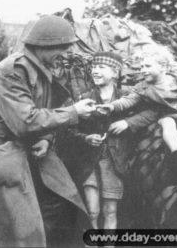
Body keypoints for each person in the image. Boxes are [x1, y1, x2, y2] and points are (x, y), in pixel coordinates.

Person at [0, 15, 96, 247]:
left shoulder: (41, 69)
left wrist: (45, 138)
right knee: (0, 221)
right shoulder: (13, 70)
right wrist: (75, 112)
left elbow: (43, 111)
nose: (65, 54)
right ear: (44, 46)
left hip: (17, 142)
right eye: (61, 48)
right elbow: (26, 120)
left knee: (60, 198)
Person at [61, 51, 157, 232]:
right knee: (92, 210)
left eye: (101, 67)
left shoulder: (130, 96)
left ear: (115, 73)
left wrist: (127, 123)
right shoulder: (83, 98)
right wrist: (86, 138)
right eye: (94, 67)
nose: (95, 71)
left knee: (110, 211)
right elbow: (67, 128)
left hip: (116, 162)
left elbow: (152, 113)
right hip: (88, 162)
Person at [98, 45, 177, 175]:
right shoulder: (143, 87)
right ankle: (176, 151)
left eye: (148, 66)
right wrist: (112, 106)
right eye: (141, 67)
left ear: (164, 67)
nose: (143, 70)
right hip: (166, 115)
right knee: (168, 124)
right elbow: (128, 100)